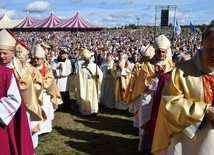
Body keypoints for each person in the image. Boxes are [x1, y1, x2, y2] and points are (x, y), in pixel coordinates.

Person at [152, 27, 214, 155]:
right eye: (211, 50)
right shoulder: (181, 72)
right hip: (190, 140)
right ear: (202, 44)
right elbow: (170, 102)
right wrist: (204, 110)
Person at [0, 29, 34, 154]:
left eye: (4, 53)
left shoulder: (16, 70)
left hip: (8, 116)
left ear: (12, 53)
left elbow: (15, 97)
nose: (1, 56)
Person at [34, 44, 63, 135]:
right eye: (35, 58)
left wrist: (39, 83)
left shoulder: (47, 69)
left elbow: (50, 81)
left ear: (43, 59)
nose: (36, 60)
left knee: (45, 110)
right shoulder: (31, 68)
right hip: (34, 94)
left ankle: (45, 129)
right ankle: (37, 129)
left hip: (45, 94)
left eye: (38, 59)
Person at [75, 49, 103, 115]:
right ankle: (85, 110)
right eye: (85, 59)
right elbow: (78, 77)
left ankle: (93, 110)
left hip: (93, 84)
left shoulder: (94, 66)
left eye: (87, 59)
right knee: (85, 95)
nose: (86, 61)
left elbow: (100, 74)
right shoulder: (81, 67)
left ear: (90, 58)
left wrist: (97, 76)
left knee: (93, 97)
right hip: (84, 84)